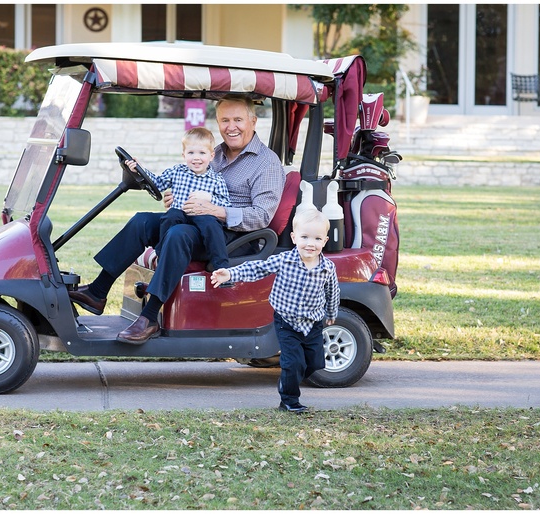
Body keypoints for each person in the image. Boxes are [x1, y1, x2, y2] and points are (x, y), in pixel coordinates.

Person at [69, 96, 285, 345]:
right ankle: (98, 291)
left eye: (238, 119)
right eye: (225, 120)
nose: (231, 126)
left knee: (177, 234)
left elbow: (262, 216)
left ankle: (149, 316)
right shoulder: (213, 153)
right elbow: (190, 181)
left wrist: (214, 210)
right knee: (142, 222)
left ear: (253, 121)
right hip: (196, 221)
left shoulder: (266, 163)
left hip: (233, 236)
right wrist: (176, 199)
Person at [211, 208, 340, 413]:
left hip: (313, 322)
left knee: (314, 363)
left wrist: (332, 313)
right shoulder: (284, 260)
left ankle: (289, 381)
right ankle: (289, 400)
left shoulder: (327, 268)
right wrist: (230, 274)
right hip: (286, 321)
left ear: (324, 241)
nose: (310, 243)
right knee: (292, 362)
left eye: (316, 238)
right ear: (294, 237)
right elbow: (257, 268)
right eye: (304, 237)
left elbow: (333, 291)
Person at [126, 127, 231, 271]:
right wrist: (140, 169)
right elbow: (157, 183)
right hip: (180, 214)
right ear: (184, 155)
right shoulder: (177, 172)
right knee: (171, 215)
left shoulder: (217, 179)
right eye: (191, 153)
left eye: (202, 153)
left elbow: (226, 204)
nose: (196, 158)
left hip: (202, 216)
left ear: (211, 156)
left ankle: (221, 266)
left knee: (211, 224)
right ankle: (163, 254)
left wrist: (209, 198)